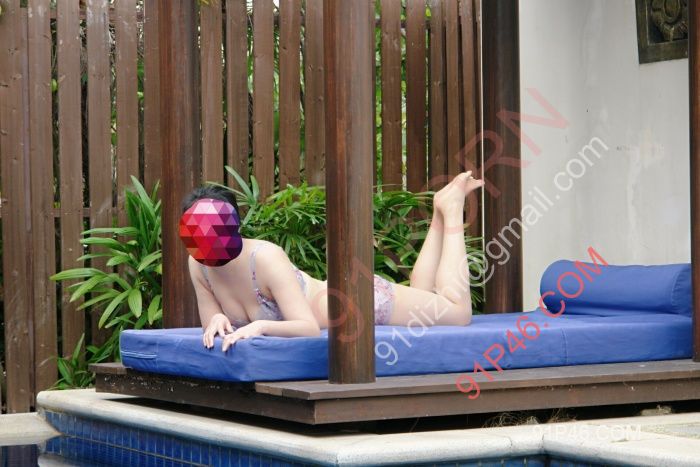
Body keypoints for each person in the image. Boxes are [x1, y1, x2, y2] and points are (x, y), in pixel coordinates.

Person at [182, 171, 484, 351]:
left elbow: (308, 328)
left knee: (458, 312)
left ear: (234, 226)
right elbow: (212, 326)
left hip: (364, 302)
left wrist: (260, 326)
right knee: (425, 295)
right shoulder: (199, 265)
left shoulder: (264, 258)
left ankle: (452, 210)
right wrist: (217, 319)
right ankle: (440, 211)